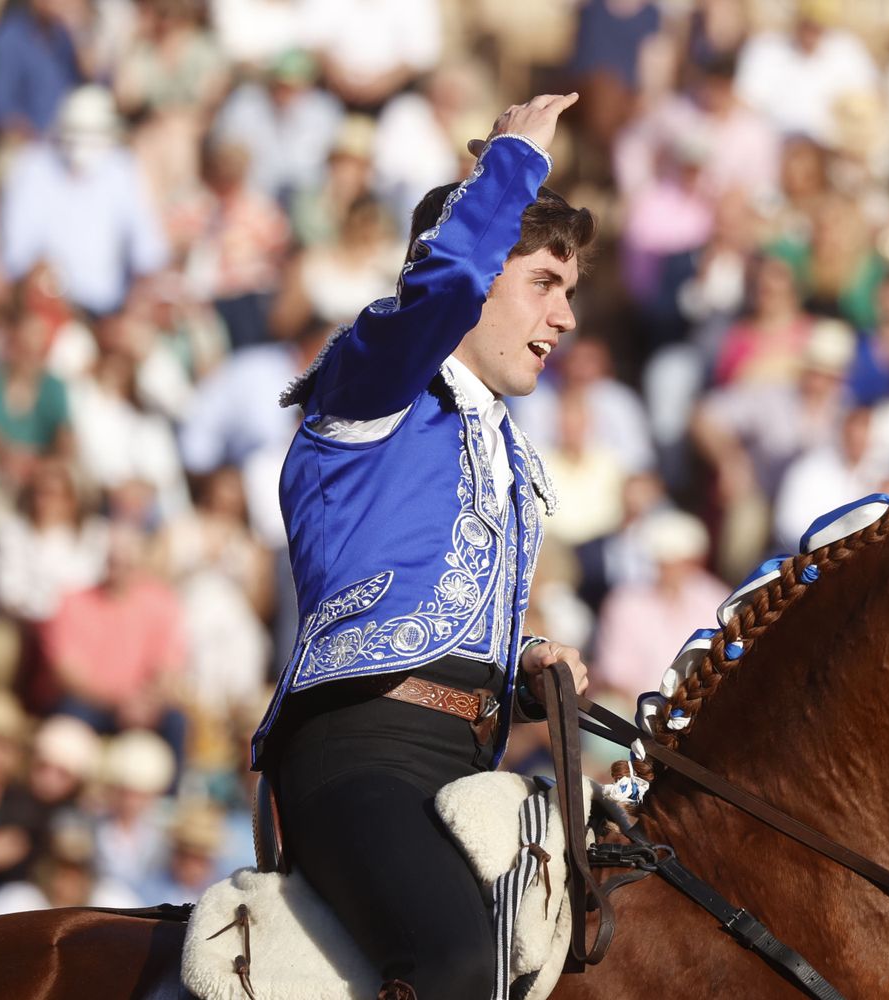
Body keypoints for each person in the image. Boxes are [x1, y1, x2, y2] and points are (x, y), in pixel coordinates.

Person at [248, 94, 593, 1000]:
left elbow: (434, 618)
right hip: (358, 749)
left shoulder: (509, 444)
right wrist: (515, 160)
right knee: (454, 963)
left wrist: (526, 666)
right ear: (478, 277)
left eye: (572, 292)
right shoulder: (374, 379)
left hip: (464, 760)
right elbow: (439, 288)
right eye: (542, 283)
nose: (563, 319)